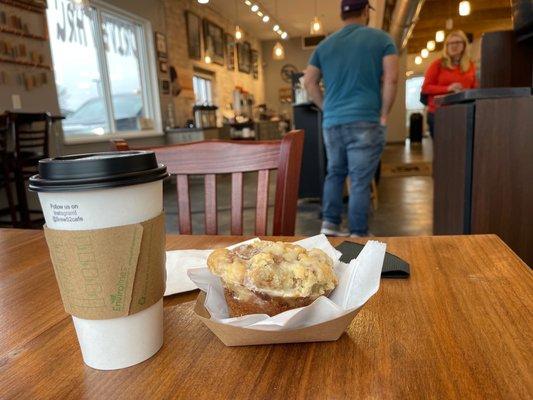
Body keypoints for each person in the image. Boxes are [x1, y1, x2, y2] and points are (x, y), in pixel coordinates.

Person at [304, 0, 399, 237]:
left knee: (335, 173)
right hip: (366, 119)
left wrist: (326, 107)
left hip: (333, 122)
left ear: (341, 14)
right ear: (366, 11)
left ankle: (330, 225)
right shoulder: (382, 39)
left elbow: (308, 81)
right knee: (359, 180)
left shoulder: (324, 45)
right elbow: (391, 79)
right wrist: (385, 113)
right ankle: (358, 232)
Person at [422, 30, 477, 139]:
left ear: (464, 45)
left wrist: (466, 91)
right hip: (440, 113)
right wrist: (448, 88)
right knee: (443, 150)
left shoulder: (470, 65)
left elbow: (474, 87)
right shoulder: (438, 64)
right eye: (450, 43)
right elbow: (426, 88)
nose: (453, 46)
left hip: (463, 112)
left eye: (457, 42)